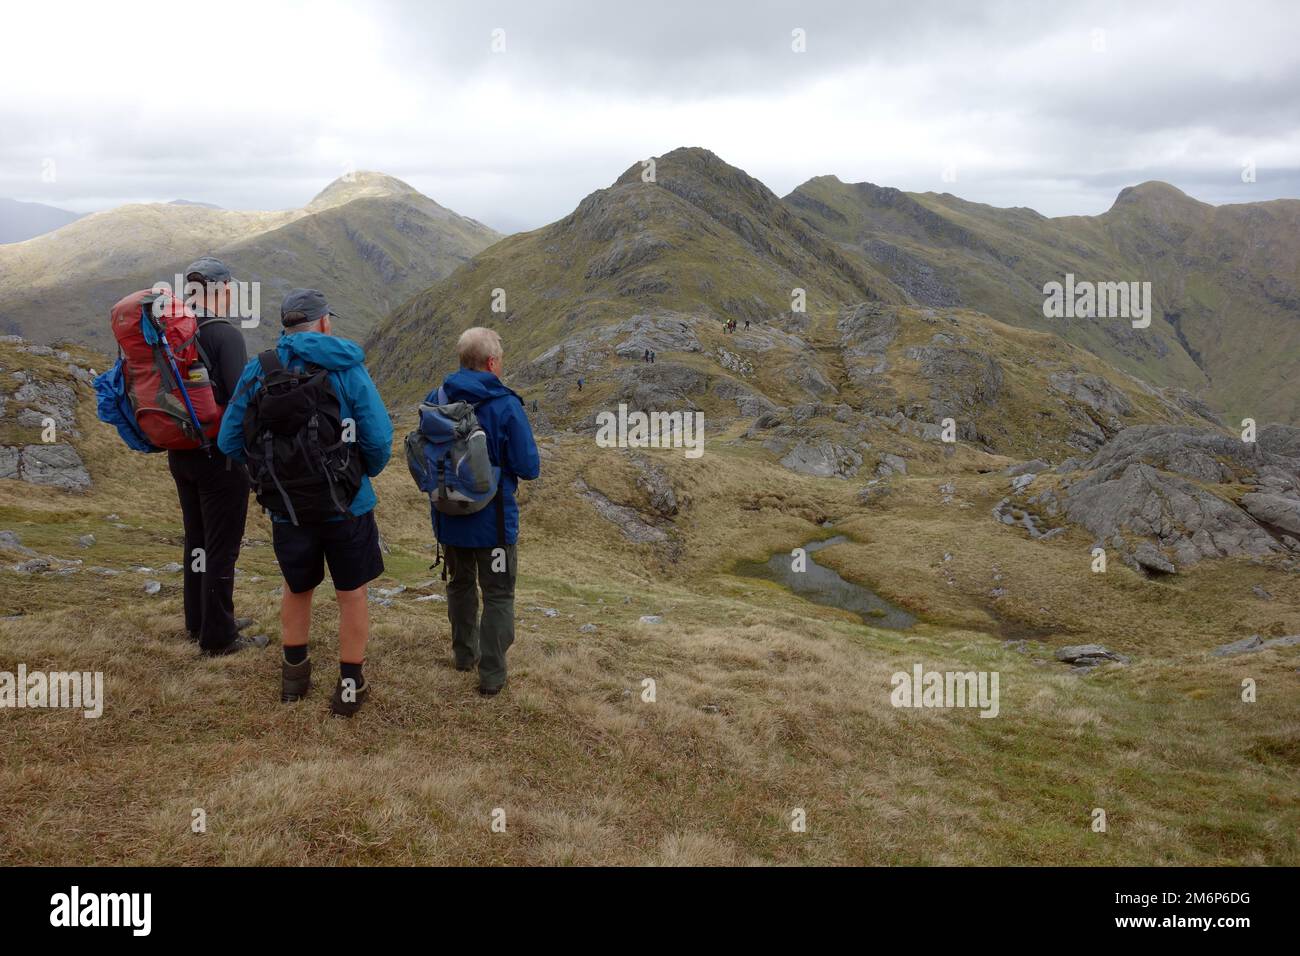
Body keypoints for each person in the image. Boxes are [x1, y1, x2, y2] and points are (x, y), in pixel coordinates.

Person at [218, 289, 393, 716]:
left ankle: (294, 680)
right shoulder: (346, 368)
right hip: (347, 505)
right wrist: (353, 474)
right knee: (351, 594)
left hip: (287, 509)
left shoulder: (260, 370)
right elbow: (379, 439)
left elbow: (229, 439)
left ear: (286, 326)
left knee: (298, 588)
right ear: (324, 323)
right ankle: (350, 687)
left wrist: (272, 475)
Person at [428, 328, 539, 696]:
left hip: (450, 517)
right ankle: (491, 676)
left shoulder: (437, 397)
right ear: (492, 363)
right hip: (493, 527)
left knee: (459, 585)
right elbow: (528, 466)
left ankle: (464, 656)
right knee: (498, 594)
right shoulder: (505, 404)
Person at [169, 256, 263, 657]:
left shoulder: (174, 333)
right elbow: (243, 402)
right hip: (219, 458)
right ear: (222, 289)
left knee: (198, 541)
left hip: (181, 452)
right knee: (222, 547)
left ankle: (200, 621)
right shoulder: (225, 334)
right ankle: (220, 637)